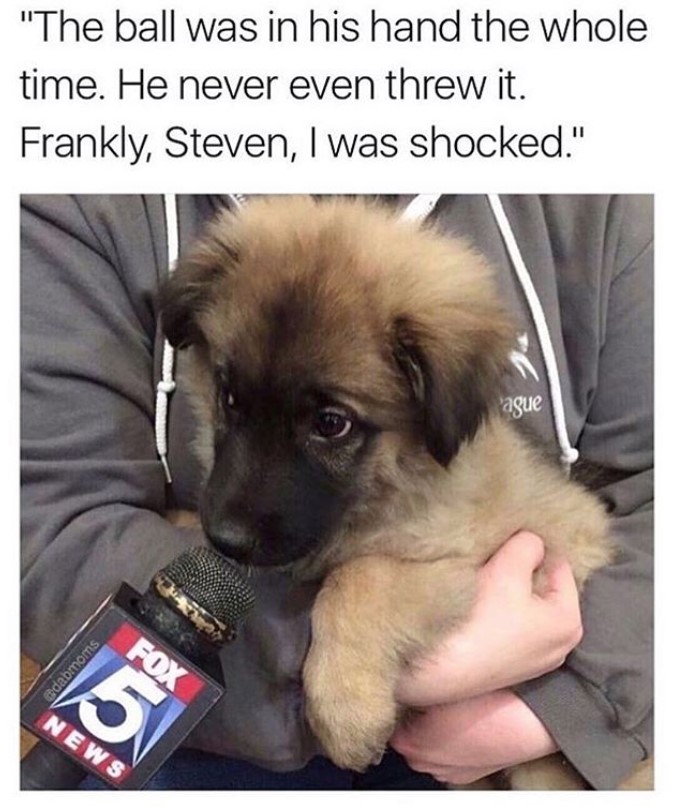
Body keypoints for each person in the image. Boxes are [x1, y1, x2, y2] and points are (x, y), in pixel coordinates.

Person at [20, 194, 653, 789]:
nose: (235, 517)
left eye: (330, 424)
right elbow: (46, 533)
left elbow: (629, 507)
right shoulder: (82, 205)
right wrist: (346, 670)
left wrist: (565, 707)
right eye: (231, 399)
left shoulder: (597, 207)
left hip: (555, 713)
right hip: (207, 726)